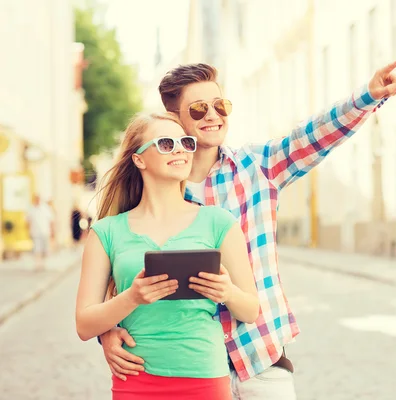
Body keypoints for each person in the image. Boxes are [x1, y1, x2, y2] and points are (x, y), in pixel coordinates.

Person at [99, 58, 396, 399]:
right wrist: (107, 330)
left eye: (220, 105)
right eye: (199, 109)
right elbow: (117, 268)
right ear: (176, 119)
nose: (213, 115)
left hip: (258, 356)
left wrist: (366, 96)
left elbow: (312, 137)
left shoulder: (256, 167)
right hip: (187, 368)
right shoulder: (152, 186)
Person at [75, 112, 259, 400]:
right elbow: (84, 325)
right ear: (139, 159)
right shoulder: (106, 232)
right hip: (135, 377)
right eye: (165, 143)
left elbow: (250, 310)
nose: (180, 150)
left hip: (204, 376)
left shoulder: (218, 222)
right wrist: (132, 297)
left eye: (185, 143)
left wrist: (228, 292)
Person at [26, 195, 54, 271]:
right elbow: (28, 221)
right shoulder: (31, 209)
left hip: (45, 232)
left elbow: (51, 221)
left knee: (44, 249)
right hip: (35, 232)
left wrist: (52, 231)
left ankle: (43, 263)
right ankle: (38, 264)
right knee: (37, 249)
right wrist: (28, 231)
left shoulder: (45, 208)